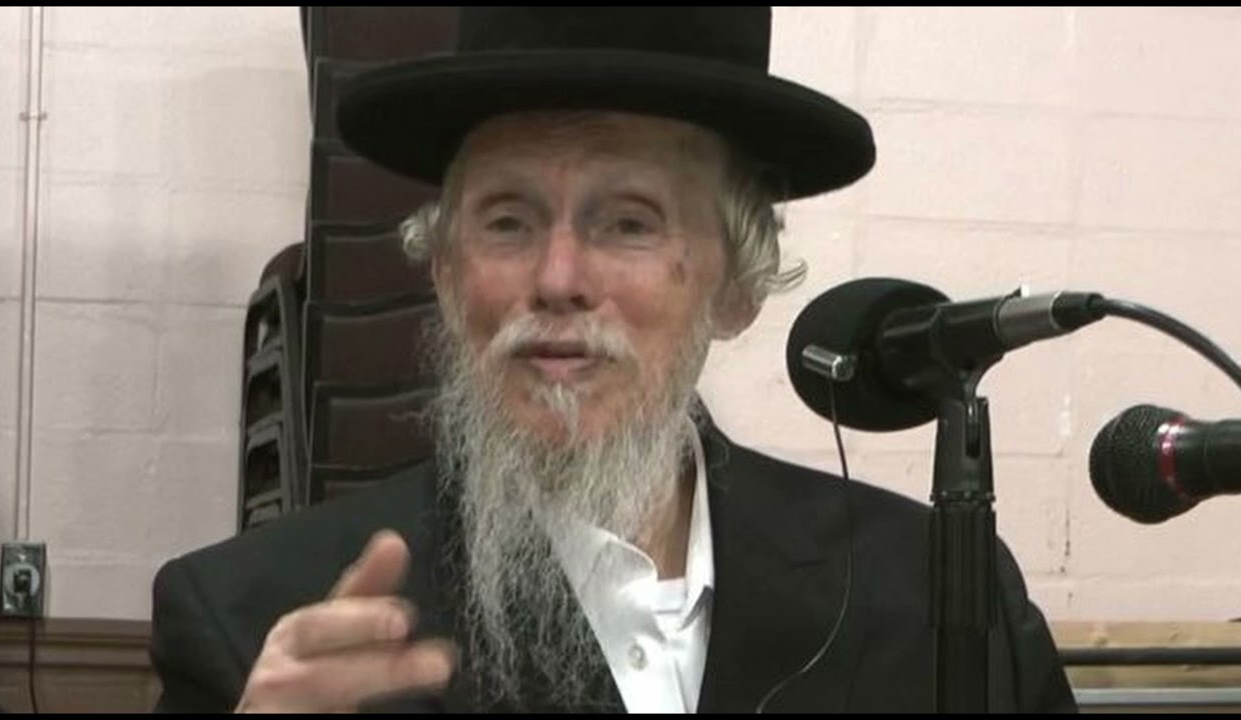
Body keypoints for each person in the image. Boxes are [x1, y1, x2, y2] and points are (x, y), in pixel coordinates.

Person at [150, 7, 1077, 714]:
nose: (558, 279)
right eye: (507, 221)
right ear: (445, 274)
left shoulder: (931, 596)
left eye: (629, 223)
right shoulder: (260, 624)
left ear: (737, 284)